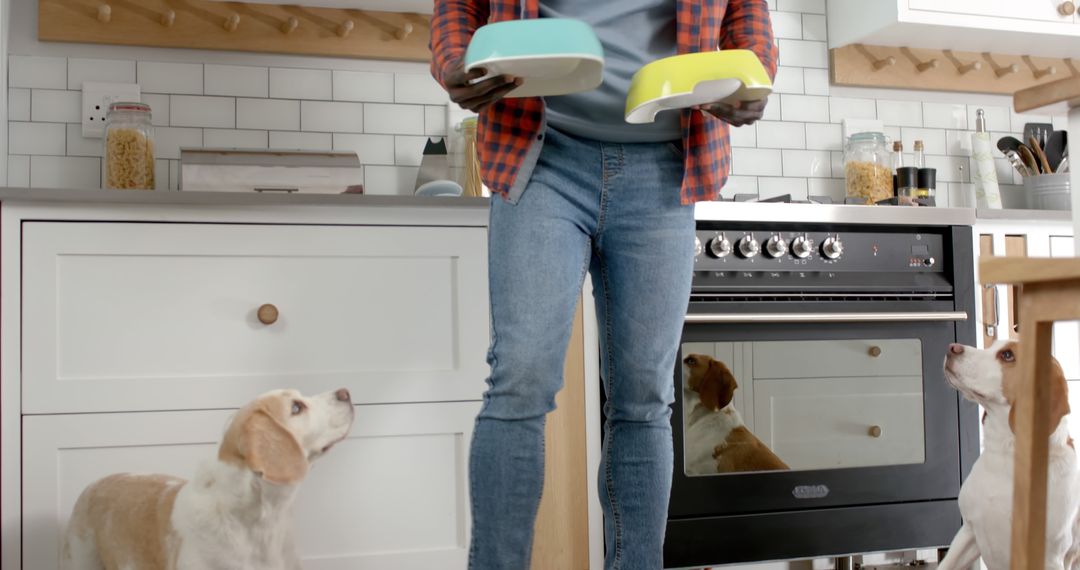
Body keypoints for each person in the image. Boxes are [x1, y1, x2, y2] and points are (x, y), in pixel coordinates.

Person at [430, 1, 777, 568]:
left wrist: (752, 74)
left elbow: (747, 13)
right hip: (540, 154)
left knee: (644, 398)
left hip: (666, 166)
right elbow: (457, 8)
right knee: (520, 380)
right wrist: (455, 58)